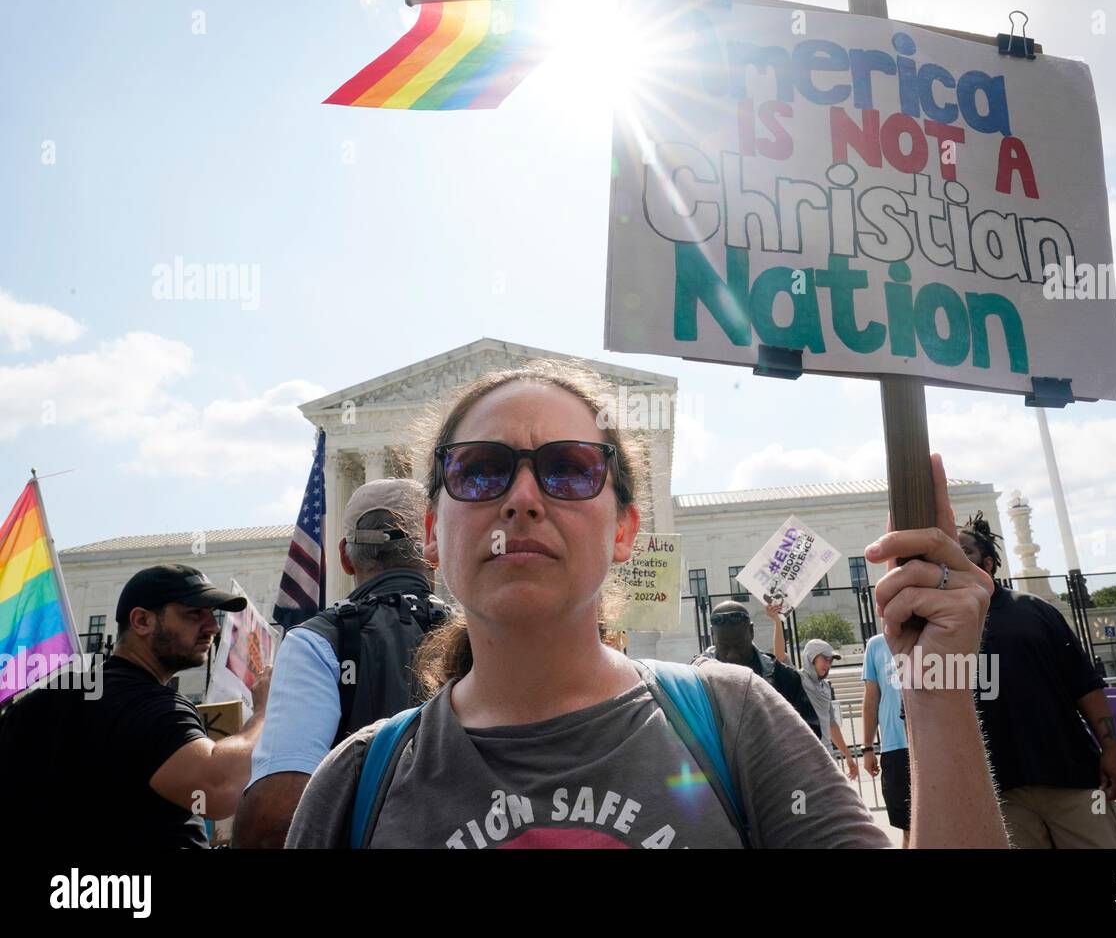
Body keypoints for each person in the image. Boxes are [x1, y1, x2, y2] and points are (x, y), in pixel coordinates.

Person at [286, 363, 1005, 848]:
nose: (523, 499)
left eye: (570, 470)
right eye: (478, 472)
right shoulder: (355, 785)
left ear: (627, 530)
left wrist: (936, 699)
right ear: (432, 538)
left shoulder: (735, 719)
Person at [233, 478, 449, 848]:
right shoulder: (482, 637)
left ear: (345, 557)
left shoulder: (317, 641)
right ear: (434, 552)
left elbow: (274, 819)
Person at [0, 565, 269, 847]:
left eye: (212, 615)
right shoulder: (150, 704)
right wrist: (265, 710)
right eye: (194, 613)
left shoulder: (43, 700)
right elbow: (217, 789)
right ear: (142, 621)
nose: (212, 626)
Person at [962, 514, 1116, 848]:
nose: (953, 558)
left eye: (964, 551)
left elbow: (1085, 685)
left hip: (1075, 778)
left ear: (989, 563)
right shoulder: (936, 627)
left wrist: (1113, 749)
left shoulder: (1034, 610)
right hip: (998, 790)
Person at [695, 599, 822, 741]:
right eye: (724, 647)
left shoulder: (782, 677)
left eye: (739, 646)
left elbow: (811, 733)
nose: (732, 655)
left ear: (751, 631)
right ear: (713, 635)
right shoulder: (696, 680)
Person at [862, 631, 910, 845]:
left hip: (930, 745)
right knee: (908, 826)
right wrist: (867, 747)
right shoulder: (876, 645)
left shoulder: (929, 632)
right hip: (895, 749)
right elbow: (871, 697)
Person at [799, 638, 860, 780]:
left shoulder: (826, 687)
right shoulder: (798, 679)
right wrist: (777, 623)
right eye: (824, 659)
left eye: (831, 660)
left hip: (827, 756)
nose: (828, 664)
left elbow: (831, 724)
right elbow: (780, 656)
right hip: (806, 757)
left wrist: (848, 755)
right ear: (811, 657)